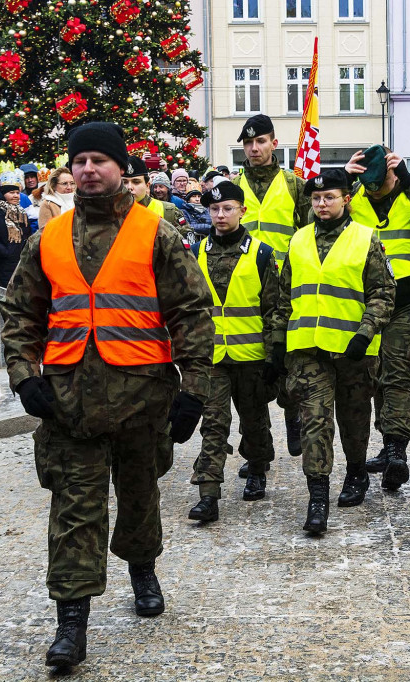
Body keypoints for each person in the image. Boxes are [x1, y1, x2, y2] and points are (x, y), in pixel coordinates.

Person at [0, 121, 213, 671]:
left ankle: (143, 568)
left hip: (143, 398)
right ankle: (71, 623)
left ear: (122, 167)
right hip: (68, 402)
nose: (89, 169)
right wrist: (24, 376)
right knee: (75, 507)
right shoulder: (48, 238)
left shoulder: (156, 232)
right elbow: (20, 312)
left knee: (139, 494)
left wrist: (194, 390)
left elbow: (190, 313)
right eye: (80, 161)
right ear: (70, 169)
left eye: (100, 160)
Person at [273, 168, 395, 535]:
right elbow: (284, 296)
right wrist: (277, 342)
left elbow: (383, 293)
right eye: (316, 198)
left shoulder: (366, 239)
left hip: (353, 352)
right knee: (315, 422)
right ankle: (318, 497)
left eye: (329, 197)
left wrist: (366, 332)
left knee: (354, 419)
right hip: (308, 350)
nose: (322, 204)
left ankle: (356, 471)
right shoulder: (298, 240)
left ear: (346, 199)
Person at [343, 145, 410, 491]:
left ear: (392, 170)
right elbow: (315, 215)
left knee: (397, 377)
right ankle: (386, 442)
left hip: (408, 303)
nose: (374, 191)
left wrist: (408, 177)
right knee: (372, 378)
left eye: (381, 183)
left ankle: (395, 450)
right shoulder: (353, 198)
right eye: (369, 185)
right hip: (367, 304)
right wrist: (343, 180)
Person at [187, 181, 279, 522]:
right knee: (213, 423)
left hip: (251, 357)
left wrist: (274, 355)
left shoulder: (262, 254)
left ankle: (257, 467)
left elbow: (274, 308)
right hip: (212, 357)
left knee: (253, 420)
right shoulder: (197, 252)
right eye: (214, 209)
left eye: (227, 208)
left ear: (242, 211)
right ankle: (208, 494)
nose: (220, 215)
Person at [236, 114, 313, 461]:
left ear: (274, 143)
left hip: (286, 287)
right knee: (252, 369)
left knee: (286, 358)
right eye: (248, 143)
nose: (254, 148)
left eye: (261, 141)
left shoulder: (294, 184)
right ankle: (257, 445)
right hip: (246, 287)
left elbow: (310, 233)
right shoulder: (234, 186)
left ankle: (293, 413)